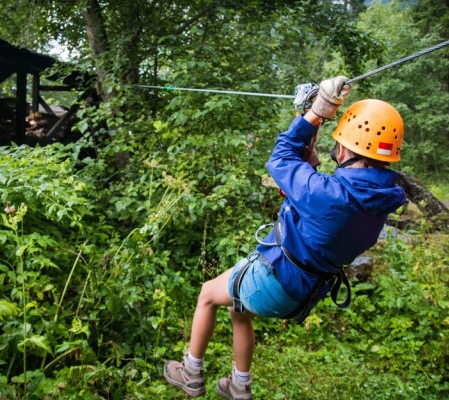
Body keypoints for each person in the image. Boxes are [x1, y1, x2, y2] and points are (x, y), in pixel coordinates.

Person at [163, 76, 407, 399]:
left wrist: (316, 114)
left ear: (348, 147)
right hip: (306, 291)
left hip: (277, 280)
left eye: (339, 142)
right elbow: (317, 191)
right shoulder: (377, 203)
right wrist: (310, 127)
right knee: (238, 308)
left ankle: (191, 372)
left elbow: (280, 160)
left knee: (208, 294)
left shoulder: (329, 195)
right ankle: (240, 385)